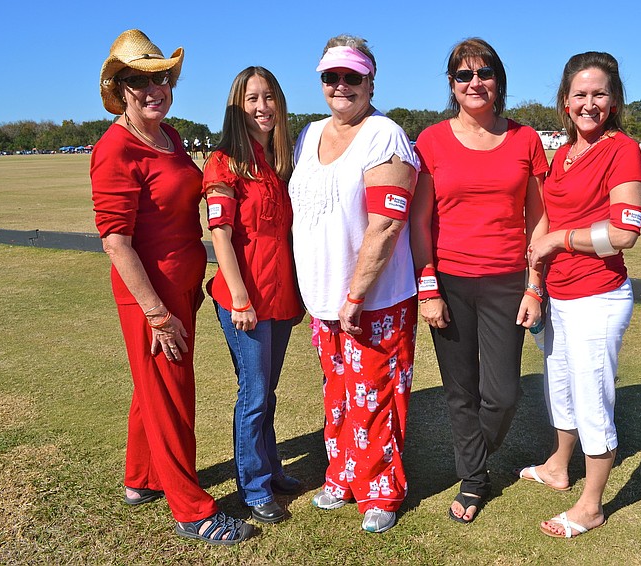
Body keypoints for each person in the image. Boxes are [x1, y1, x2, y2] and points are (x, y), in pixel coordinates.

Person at [91, 29, 253, 545]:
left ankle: (141, 480)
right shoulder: (115, 149)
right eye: (138, 80)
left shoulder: (170, 136)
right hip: (151, 297)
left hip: (182, 287)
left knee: (154, 388)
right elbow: (116, 242)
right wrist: (157, 314)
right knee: (172, 394)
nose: (153, 88)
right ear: (120, 89)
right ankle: (192, 511)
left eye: (160, 76)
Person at [411, 38, 548, 524]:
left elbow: (538, 218)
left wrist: (535, 286)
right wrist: (427, 287)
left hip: (507, 281)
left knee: (503, 394)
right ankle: (474, 481)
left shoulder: (525, 139)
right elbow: (419, 220)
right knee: (460, 391)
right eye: (464, 75)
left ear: (498, 81)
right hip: (448, 280)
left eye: (484, 73)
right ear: (452, 85)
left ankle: (471, 460)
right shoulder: (430, 141)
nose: (475, 83)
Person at [288, 34, 420, 534]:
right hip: (324, 298)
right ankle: (342, 475)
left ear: (370, 80)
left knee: (378, 396)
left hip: (375, 298)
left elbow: (386, 225)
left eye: (352, 77)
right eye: (331, 76)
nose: (341, 86)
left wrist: (357, 293)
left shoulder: (384, 134)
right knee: (338, 394)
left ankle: (381, 489)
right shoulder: (310, 133)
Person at [517, 51, 641, 539]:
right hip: (559, 294)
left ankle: (591, 505)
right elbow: (549, 212)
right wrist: (537, 279)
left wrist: (557, 241)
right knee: (561, 389)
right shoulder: (564, 152)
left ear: (613, 101)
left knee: (593, 399)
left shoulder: (623, 150)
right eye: (580, 94)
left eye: (599, 94)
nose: (589, 103)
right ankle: (558, 465)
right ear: (564, 101)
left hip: (599, 295)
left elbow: (623, 234)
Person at [202, 66, 304, 524]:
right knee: (255, 393)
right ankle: (254, 487)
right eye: (251, 99)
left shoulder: (280, 164)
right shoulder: (224, 162)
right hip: (244, 299)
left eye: (269, 98)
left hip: (280, 295)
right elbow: (220, 236)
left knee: (270, 392)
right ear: (237, 107)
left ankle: (271, 468)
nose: (262, 108)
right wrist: (240, 299)